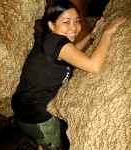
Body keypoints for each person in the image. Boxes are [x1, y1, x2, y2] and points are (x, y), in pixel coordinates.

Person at [11, 0, 126, 150]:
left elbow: (70, 54)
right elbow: (93, 66)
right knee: (52, 145)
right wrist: (107, 33)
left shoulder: (50, 41)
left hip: (24, 108)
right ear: (52, 25)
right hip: (36, 117)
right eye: (66, 22)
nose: (74, 27)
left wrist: (90, 36)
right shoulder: (57, 43)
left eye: (77, 21)